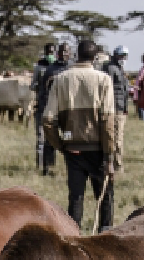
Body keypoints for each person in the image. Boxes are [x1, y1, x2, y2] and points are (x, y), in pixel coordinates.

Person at [41, 39, 120, 230]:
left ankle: (73, 239)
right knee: (104, 197)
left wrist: (60, 144)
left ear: (77, 54)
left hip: (72, 148)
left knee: (75, 197)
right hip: (98, 150)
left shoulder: (61, 79)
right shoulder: (103, 80)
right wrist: (110, 155)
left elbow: (47, 120)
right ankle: (104, 235)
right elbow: (108, 122)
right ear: (95, 57)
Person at [33, 42, 70, 172]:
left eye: (66, 51)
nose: (63, 54)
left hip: (68, 110)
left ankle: (71, 168)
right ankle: (47, 167)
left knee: (69, 138)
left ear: (69, 53)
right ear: (57, 53)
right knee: (48, 139)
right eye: (61, 51)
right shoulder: (50, 69)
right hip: (51, 108)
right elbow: (43, 90)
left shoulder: (72, 69)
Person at [102, 46, 132, 121]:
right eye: (121, 56)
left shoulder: (120, 68)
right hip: (114, 105)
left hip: (121, 105)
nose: (123, 58)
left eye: (125, 56)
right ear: (115, 55)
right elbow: (108, 87)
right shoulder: (111, 68)